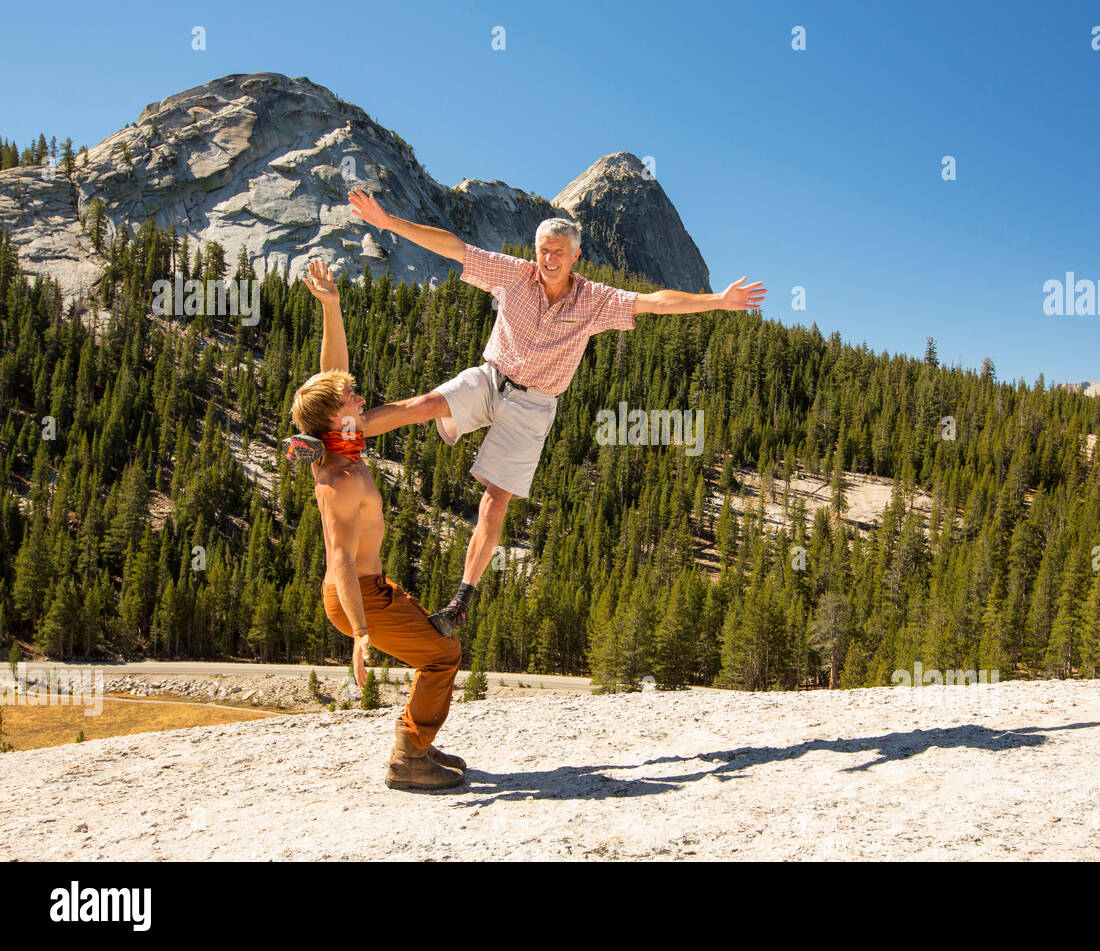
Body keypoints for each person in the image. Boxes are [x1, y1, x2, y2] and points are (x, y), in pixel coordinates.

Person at [347, 187, 765, 637]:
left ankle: (459, 603)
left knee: (495, 502)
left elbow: (655, 300)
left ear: (575, 255)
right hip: (492, 377)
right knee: (425, 404)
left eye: (559, 252)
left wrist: (717, 300)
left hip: (534, 405)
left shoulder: (595, 300)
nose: (549, 259)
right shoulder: (513, 274)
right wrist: (389, 222)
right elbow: (453, 247)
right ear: (535, 251)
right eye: (544, 250)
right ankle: (346, 431)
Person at [287, 259, 466, 793]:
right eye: (352, 400)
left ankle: (418, 744)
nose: (360, 400)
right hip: (356, 597)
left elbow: (332, 375)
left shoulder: (344, 443)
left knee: (437, 646)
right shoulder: (338, 477)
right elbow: (340, 557)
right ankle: (409, 755)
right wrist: (361, 632)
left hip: (372, 590)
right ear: (333, 418)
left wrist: (331, 307)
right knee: (442, 655)